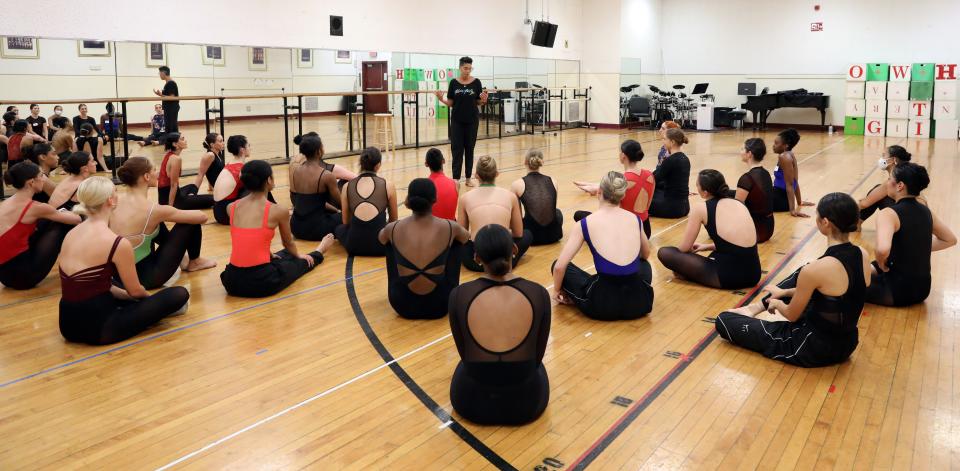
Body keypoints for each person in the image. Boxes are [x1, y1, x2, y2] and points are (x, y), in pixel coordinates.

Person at [715, 193, 871, 367]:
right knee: (803, 284)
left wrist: (777, 303)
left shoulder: (814, 270)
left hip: (811, 347)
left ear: (825, 223)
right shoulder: (862, 254)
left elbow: (791, 314)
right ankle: (756, 308)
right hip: (847, 344)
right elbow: (839, 294)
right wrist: (784, 292)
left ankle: (753, 311)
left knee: (724, 319)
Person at [58, 176, 190, 345]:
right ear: (110, 201)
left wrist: (129, 298)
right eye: (115, 192)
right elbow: (136, 291)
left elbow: (94, 284)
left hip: (67, 325)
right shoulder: (117, 243)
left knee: (122, 294)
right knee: (179, 294)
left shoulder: (72, 233)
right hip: (100, 328)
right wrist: (148, 302)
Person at [448, 224, 550, 425]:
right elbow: (537, 357)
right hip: (527, 403)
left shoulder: (459, 295)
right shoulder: (538, 293)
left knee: (463, 365)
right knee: (538, 368)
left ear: (477, 258)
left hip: (471, 402)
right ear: (514, 250)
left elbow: (465, 355)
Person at [220, 160, 334, 298]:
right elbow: (288, 242)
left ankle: (276, 256)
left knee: (284, 254)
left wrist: (268, 253)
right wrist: (299, 257)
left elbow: (247, 236)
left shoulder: (230, 207)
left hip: (232, 281)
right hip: (261, 281)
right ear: (268, 180)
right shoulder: (278, 210)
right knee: (298, 263)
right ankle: (319, 251)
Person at [553, 171, 654, 321]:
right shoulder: (635, 219)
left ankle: (590, 291)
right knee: (643, 264)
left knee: (558, 266)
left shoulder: (585, 223)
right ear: (623, 195)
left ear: (599, 192)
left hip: (603, 305)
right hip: (640, 303)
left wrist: (556, 291)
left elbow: (560, 267)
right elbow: (645, 255)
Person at [112, 157, 217, 289]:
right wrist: (174, 212)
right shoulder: (153, 210)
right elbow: (202, 217)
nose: (157, 174)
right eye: (154, 170)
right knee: (190, 221)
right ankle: (194, 261)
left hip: (119, 277)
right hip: (146, 279)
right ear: (146, 176)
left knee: (155, 224)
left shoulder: (115, 203)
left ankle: (184, 261)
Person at [379, 178, 470, 319]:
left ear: (408, 200)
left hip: (402, 304)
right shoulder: (450, 226)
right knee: (456, 242)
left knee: (389, 243)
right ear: (435, 199)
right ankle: (452, 291)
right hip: (441, 304)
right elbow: (466, 237)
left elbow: (380, 238)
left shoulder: (393, 227)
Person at [867, 163, 956, 306]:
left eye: (890, 179)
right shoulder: (926, 211)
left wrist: (881, 263)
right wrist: (915, 247)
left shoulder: (888, 213)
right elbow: (950, 240)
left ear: (900, 185)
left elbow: (882, 250)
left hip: (896, 291)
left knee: (846, 282)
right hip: (922, 290)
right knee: (872, 266)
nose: (887, 182)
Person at [657, 169, 761, 289]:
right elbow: (740, 244)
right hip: (754, 274)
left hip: (730, 277)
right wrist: (707, 246)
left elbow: (684, 249)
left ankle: (689, 274)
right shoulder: (739, 203)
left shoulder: (700, 209)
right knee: (714, 255)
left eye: (697, 185)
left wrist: (680, 264)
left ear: (705, 192)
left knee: (665, 253)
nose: (696, 187)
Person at [0, 162, 81, 289]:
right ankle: (83, 265)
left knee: (49, 220)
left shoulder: (6, 201)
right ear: (31, 182)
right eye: (41, 175)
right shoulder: (35, 207)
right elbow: (76, 220)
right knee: (62, 225)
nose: (44, 179)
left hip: (4, 275)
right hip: (23, 277)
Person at [458, 155, 532, 271]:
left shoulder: (465, 198)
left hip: (477, 260)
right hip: (504, 257)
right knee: (527, 234)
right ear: (497, 173)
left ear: (476, 175)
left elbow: (462, 236)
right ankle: (508, 257)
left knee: (456, 243)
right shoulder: (510, 196)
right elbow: (518, 233)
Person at [573, 139, 655, 238]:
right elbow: (647, 205)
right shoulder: (650, 175)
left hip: (625, 231)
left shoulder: (622, 180)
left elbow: (609, 211)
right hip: (645, 230)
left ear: (623, 156)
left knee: (579, 215)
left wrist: (597, 192)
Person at [434, 56, 488, 185]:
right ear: (460, 68)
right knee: (457, 150)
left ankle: (468, 178)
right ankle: (456, 179)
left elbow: (478, 101)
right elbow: (451, 102)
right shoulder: (453, 83)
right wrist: (441, 99)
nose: (468, 71)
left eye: (470, 68)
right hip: (457, 121)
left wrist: (484, 100)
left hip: (472, 121)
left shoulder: (476, 82)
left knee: (470, 149)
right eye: (465, 68)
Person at [335, 147, 398, 256]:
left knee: (339, 228)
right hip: (381, 247)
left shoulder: (347, 186)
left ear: (361, 164)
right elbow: (393, 220)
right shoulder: (388, 185)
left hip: (353, 246)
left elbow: (345, 222)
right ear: (378, 165)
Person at [214, 135, 276, 225]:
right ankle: (273, 209)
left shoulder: (231, 163)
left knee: (254, 182)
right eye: (249, 146)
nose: (251, 148)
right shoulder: (241, 169)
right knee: (260, 184)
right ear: (242, 150)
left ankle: (272, 207)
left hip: (218, 211)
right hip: (226, 214)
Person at [290, 135, 342, 240]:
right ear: (319, 151)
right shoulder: (327, 175)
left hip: (296, 227)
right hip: (317, 229)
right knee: (349, 218)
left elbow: (305, 201)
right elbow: (341, 203)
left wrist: (335, 210)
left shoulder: (296, 171)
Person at [512, 149, 562, 245]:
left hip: (531, 237)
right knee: (557, 212)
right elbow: (549, 210)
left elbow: (516, 216)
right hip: (554, 235)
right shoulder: (553, 181)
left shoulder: (516, 184)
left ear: (525, 162)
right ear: (541, 162)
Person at [732, 138, 775, 243]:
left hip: (755, 231)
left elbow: (737, 209)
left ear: (749, 154)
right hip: (768, 228)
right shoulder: (766, 173)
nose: (740, 152)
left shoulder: (746, 178)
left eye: (742, 149)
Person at [158, 133, 214, 210]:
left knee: (192, 186)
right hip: (172, 200)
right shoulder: (176, 159)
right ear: (175, 144)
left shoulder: (169, 155)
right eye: (182, 139)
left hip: (165, 196)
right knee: (213, 199)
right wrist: (170, 209)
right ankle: (188, 201)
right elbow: (173, 185)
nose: (185, 141)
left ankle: (190, 199)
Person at [859, 145, 913, 222]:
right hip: (914, 215)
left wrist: (844, 208)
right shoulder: (908, 173)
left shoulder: (893, 180)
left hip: (903, 220)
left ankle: (856, 222)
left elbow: (864, 204)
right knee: (877, 192)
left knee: (877, 194)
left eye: (884, 155)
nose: (881, 159)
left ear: (893, 160)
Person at [649, 128, 691, 218]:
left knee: (641, 199)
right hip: (685, 207)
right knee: (657, 190)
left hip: (672, 209)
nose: (663, 142)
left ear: (672, 142)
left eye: (664, 139)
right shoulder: (685, 158)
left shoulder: (671, 160)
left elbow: (653, 179)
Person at [772, 128, 813, 217]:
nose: (773, 146)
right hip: (778, 196)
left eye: (776, 143)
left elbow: (790, 184)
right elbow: (795, 181)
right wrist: (799, 201)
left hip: (779, 200)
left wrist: (792, 210)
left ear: (785, 145)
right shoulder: (789, 154)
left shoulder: (784, 157)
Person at [290, 132, 357, 186]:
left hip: (297, 200)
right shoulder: (329, 168)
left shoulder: (294, 161)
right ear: (319, 150)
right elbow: (357, 178)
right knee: (344, 180)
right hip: (320, 202)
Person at [425, 147, 459, 220]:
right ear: (443, 161)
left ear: (426, 164)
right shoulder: (456, 184)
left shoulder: (424, 187)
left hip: (433, 229)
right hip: (451, 227)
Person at [154, 66, 180, 133]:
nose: (159, 75)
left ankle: (173, 141)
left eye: (159, 73)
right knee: (169, 126)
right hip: (169, 108)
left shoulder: (171, 83)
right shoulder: (168, 83)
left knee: (171, 126)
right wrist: (161, 95)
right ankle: (172, 141)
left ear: (163, 73)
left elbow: (172, 97)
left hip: (171, 108)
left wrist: (161, 95)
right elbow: (169, 96)